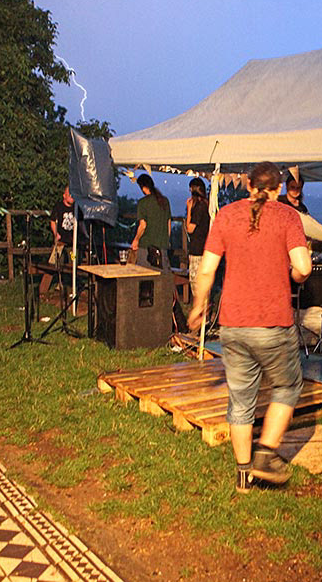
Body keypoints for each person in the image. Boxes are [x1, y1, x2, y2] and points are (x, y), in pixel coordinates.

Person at [187, 162, 311, 494]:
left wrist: (198, 306)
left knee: (241, 400)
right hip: (272, 324)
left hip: (233, 324)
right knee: (287, 387)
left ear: (248, 185)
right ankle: (266, 455)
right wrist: (292, 275)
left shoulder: (226, 215)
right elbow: (303, 267)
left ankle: (244, 478)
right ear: (278, 188)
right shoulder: (287, 216)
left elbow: (206, 269)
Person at [40, 186, 84, 295]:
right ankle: (54, 285)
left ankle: (72, 286)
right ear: (64, 195)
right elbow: (52, 221)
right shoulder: (59, 207)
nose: (71, 197)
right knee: (55, 262)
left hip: (72, 243)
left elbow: (81, 223)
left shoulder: (77, 208)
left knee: (73, 262)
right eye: (69, 194)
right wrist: (56, 233)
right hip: (60, 242)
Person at [130, 174, 171, 270]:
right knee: (162, 276)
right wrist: (166, 240)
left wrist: (136, 240)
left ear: (143, 187)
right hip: (162, 247)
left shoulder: (143, 202)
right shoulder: (165, 201)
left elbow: (143, 225)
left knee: (144, 275)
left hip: (146, 247)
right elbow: (168, 223)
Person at [184, 177, 210, 285]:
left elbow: (190, 228)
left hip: (197, 249)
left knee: (195, 281)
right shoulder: (206, 205)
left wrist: (189, 209)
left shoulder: (199, 207)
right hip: (204, 248)